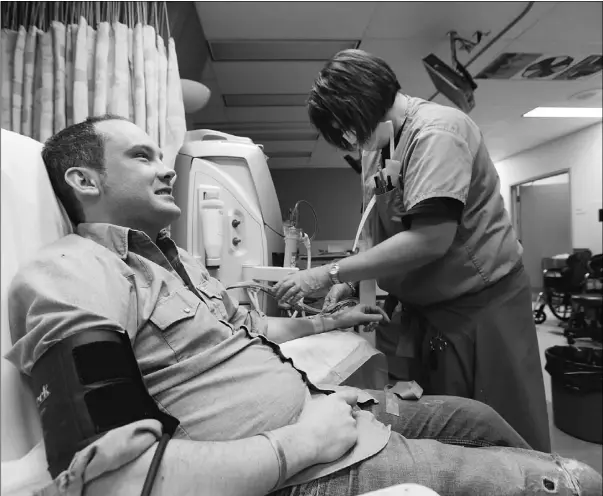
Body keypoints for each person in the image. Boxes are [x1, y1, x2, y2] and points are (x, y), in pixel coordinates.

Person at [5, 116, 601, 496]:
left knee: (478, 418)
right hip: (304, 465)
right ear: (84, 181)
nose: (165, 169)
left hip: (333, 415)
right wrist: (303, 441)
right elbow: (114, 481)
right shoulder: (70, 273)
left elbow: (251, 328)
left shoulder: (173, 261)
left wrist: (328, 320)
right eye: (141, 157)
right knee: (576, 481)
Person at [273, 49, 551, 452]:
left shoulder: (438, 133)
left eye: (346, 127)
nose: (348, 140)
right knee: (452, 428)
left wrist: (330, 273)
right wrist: (353, 285)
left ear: (364, 105)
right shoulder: (378, 148)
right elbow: (382, 226)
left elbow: (429, 239)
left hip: (482, 309)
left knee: (500, 425)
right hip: (432, 312)